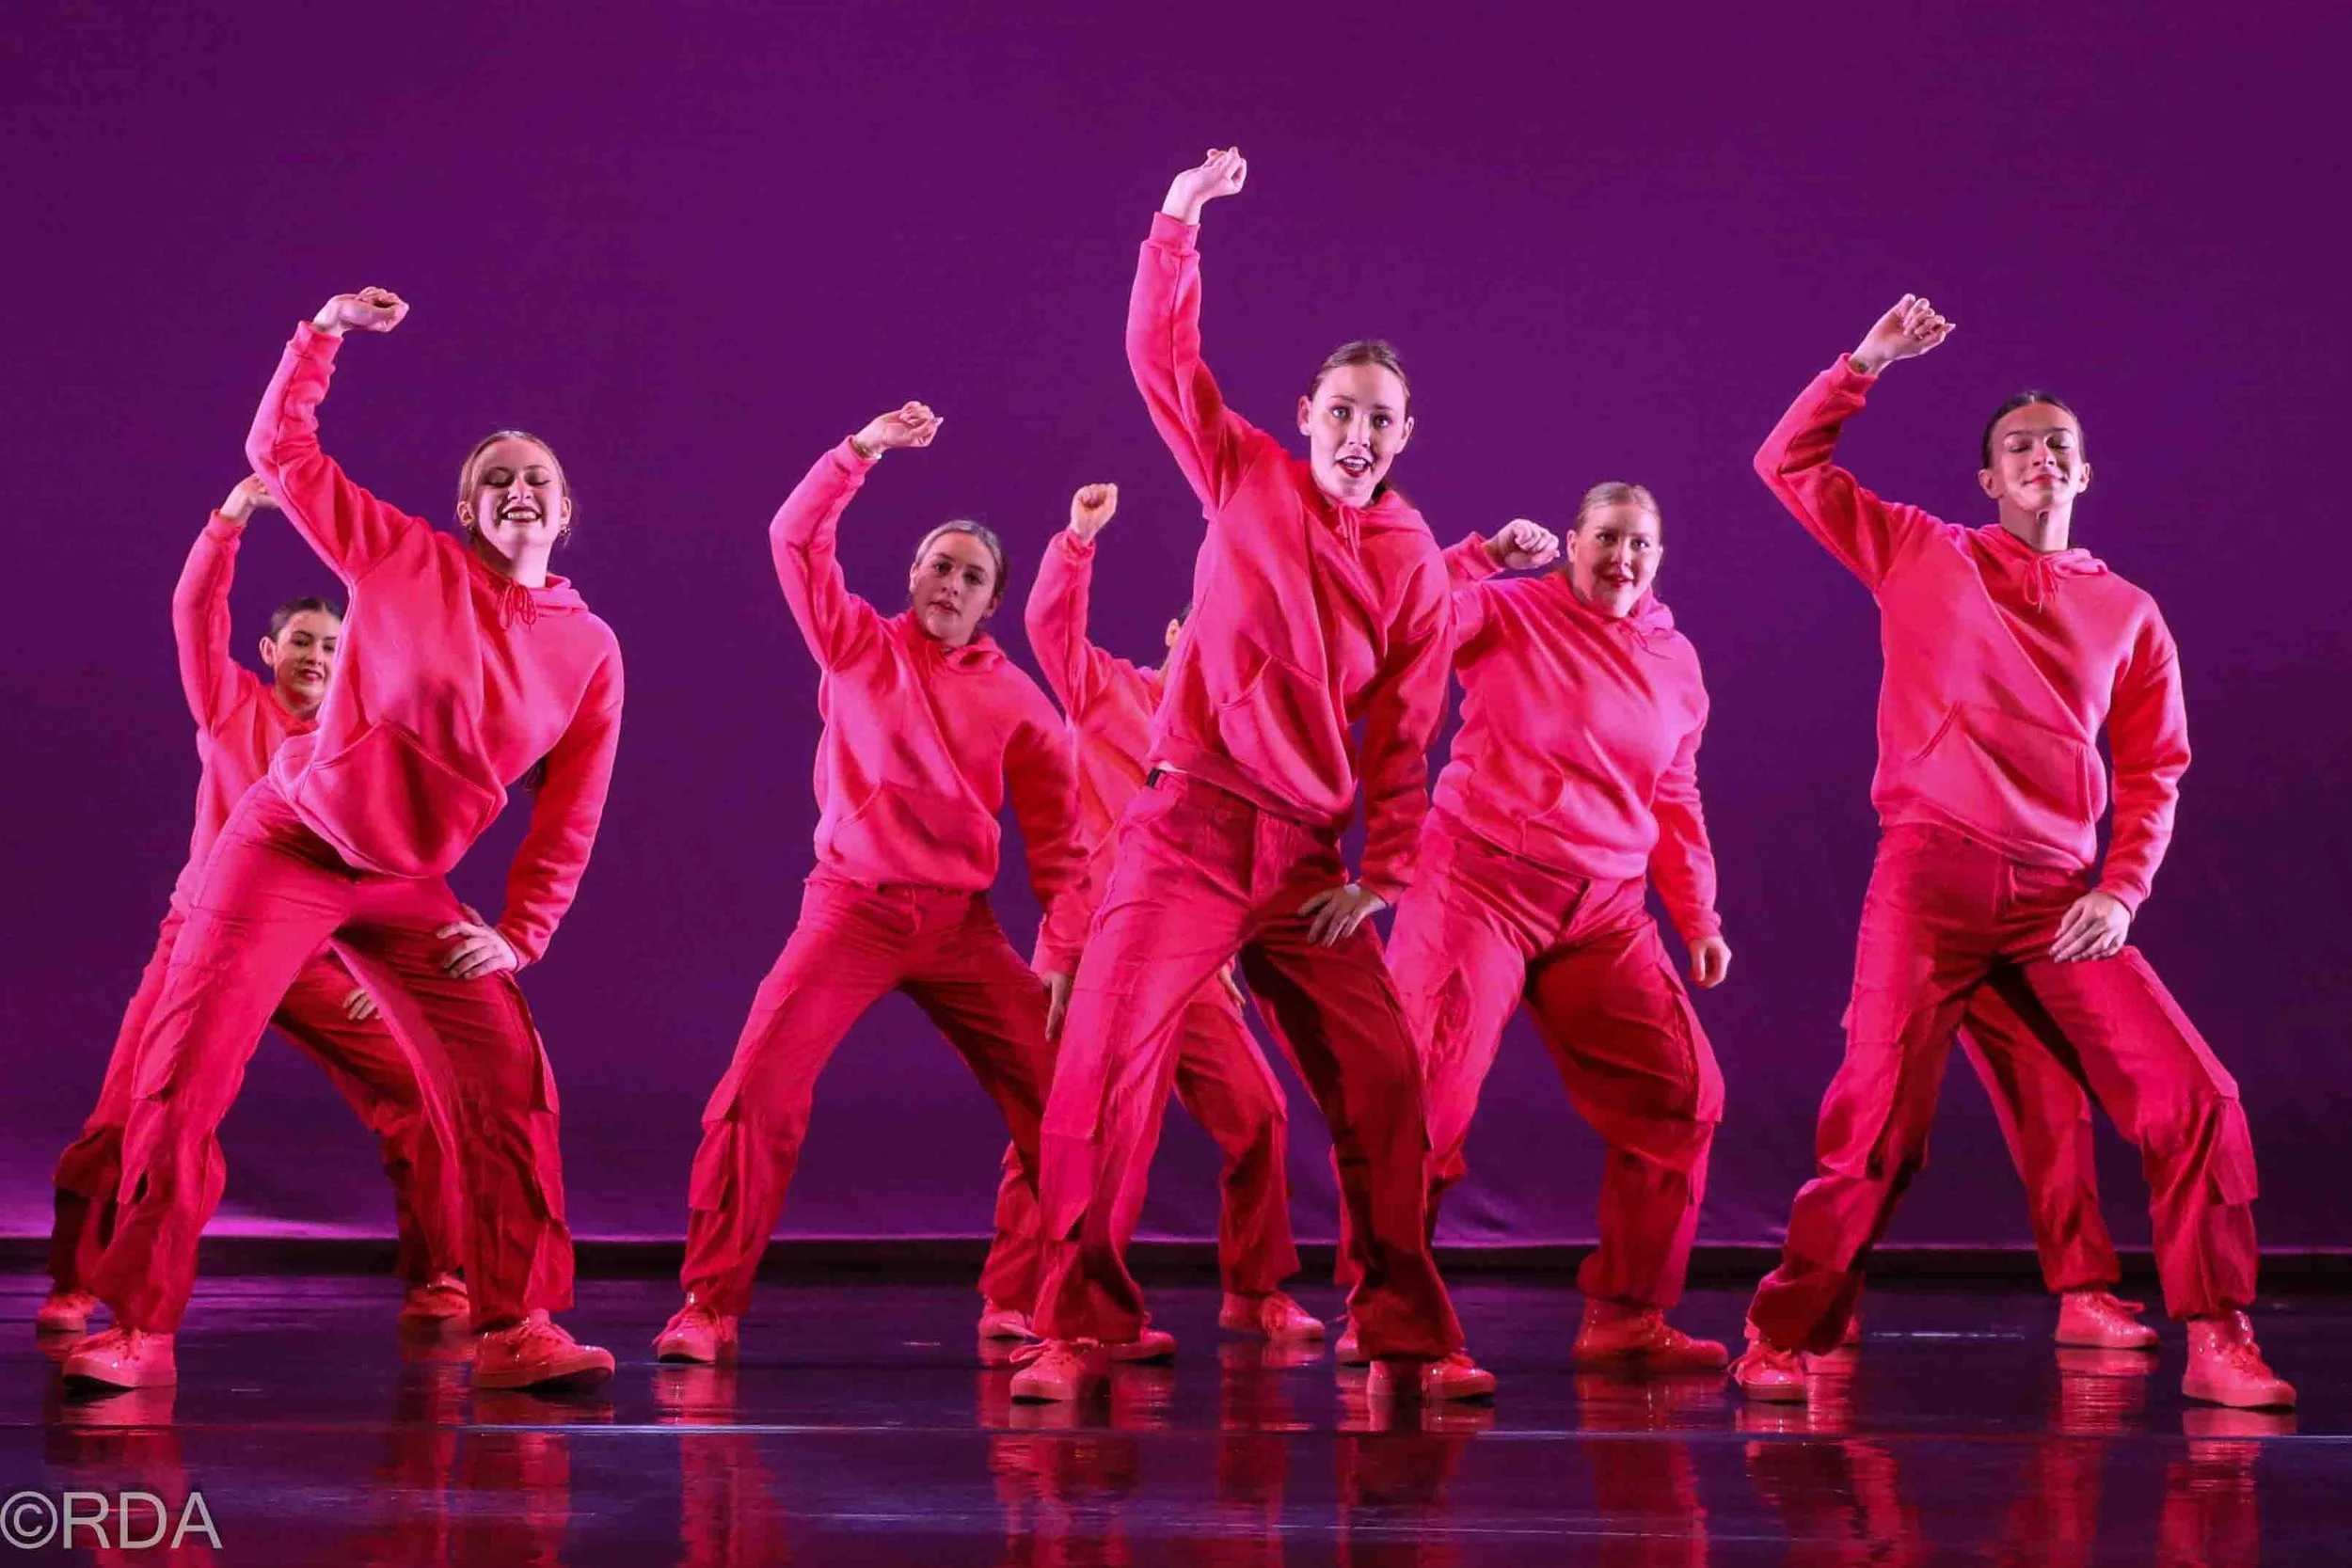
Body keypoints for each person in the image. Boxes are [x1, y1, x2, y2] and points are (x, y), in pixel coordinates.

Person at [1731, 295, 2290, 1410]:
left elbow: (2154, 767)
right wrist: (1866, 361)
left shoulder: (2129, 611)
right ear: (1987, 478)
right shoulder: (1920, 549)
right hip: (1929, 877)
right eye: (2020, 446)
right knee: (1878, 1125)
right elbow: (1786, 464)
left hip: (2054, 900)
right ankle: (1785, 1325)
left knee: (2193, 1095)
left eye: (2059, 445)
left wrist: (2121, 890)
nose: (2043, 456)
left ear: (2085, 473)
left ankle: (2218, 1334)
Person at [68, 287, 624, 1393]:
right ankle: (138, 1326)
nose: (518, 488)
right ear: (468, 509)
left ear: (565, 511)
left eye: (537, 478)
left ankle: (517, 1327)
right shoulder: (402, 558)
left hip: (409, 880)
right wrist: (321, 335)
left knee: (508, 1075)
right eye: (496, 478)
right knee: (185, 1073)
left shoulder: (592, 648)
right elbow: (280, 450)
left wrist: (523, 931)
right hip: (289, 845)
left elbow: (573, 805)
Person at [1012, 148, 1492, 1404]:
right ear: (1307, 415)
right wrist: (1178, 217)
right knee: (1102, 1066)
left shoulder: (1414, 558)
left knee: (1385, 1076)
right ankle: (1082, 1325)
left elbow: (1405, 730)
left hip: (1305, 861)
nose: (1357, 433)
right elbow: (1161, 359)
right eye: (1341, 411)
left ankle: (1401, 1325)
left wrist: (1383, 873)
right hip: (1186, 828)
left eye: (1380, 418)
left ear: (1404, 436)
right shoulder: (1244, 470)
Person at [653, 402, 1090, 1365]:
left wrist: (1061, 951)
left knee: (1063, 1099)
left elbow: (1062, 851)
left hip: (961, 926)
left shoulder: (1021, 702)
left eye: (971, 576)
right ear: (912, 576)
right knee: (757, 1090)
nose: (951, 583)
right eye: (939, 565)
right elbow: (794, 537)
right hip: (851, 907)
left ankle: (1019, 1299)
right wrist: (862, 451)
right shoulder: (857, 643)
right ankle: (707, 1306)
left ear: (991, 603)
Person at [39, 477, 464, 1339]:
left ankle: (438, 1278)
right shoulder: (230, 704)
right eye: (301, 641)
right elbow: (195, 611)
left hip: (312, 956)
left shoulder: (359, 743)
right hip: (200, 940)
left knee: (420, 1089)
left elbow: (388, 862)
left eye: (332, 644)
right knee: (128, 1109)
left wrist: (375, 969)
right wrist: (228, 522)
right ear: (269, 650)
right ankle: (76, 1283)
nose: (317, 656)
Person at [1375, 492, 1730, 1371]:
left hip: (1603, 908)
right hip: (1477, 879)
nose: (1622, 557)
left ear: (1660, 556)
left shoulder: (1676, 660)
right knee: (1422, 1099)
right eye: (1605, 538)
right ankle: (1389, 1322)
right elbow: (1406, 623)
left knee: (1681, 1094)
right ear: (1572, 543)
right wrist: (1481, 557)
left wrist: (1697, 915)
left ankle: (1626, 1318)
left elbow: (1673, 794)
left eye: (1640, 543)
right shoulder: (1508, 610)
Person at [978, 482, 1320, 1346]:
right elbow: (1052, 630)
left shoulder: (1242, 749)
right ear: (1175, 636)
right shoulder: (1109, 692)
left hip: (1190, 967)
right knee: (1059, 1127)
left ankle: (1254, 1290)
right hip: (1093, 952)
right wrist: (1077, 540)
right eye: (1201, 632)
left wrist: (1225, 955)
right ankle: (1013, 1296)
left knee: (1260, 1115)